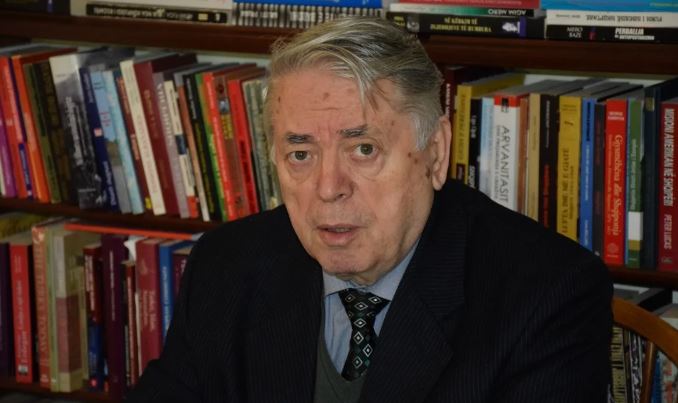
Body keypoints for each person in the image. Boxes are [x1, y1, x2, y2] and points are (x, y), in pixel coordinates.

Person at [127, 16, 612, 403]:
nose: (328, 189)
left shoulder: (546, 294)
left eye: (363, 149)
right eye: (301, 154)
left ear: (435, 153)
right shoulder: (227, 264)